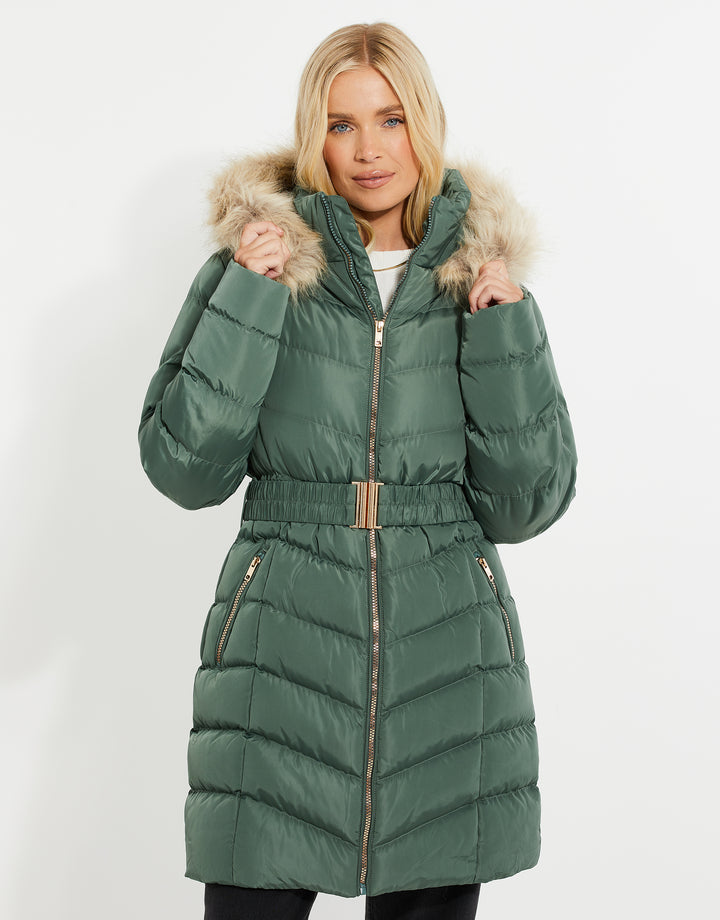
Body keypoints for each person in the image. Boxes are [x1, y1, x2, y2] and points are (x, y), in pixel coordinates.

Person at [137, 20, 577, 920]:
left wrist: (504, 332)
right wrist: (248, 296)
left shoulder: (480, 280)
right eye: (341, 124)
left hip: (445, 651)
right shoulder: (255, 267)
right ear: (316, 135)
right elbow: (186, 469)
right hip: (281, 645)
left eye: (391, 118)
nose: (369, 149)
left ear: (425, 122)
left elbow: (524, 504)